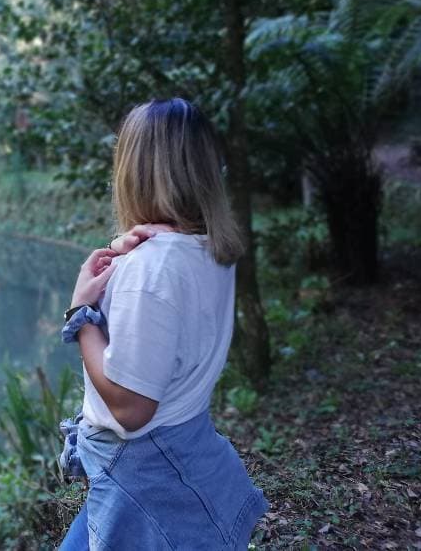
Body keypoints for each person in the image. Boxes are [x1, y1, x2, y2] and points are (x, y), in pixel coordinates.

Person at [58, 98, 269, 550]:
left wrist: (80, 315)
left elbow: (131, 409)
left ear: (134, 169)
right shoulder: (210, 248)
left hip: (143, 462)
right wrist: (124, 254)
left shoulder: (150, 270)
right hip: (182, 444)